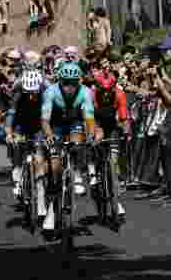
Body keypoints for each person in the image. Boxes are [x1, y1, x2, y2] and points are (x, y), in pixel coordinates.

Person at [40, 61, 96, 231]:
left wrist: (91, 133)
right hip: (55, 125)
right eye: (65, 83)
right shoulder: (50, 92)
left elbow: (88, 117)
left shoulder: (85, 92)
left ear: (79, 81)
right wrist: (49, 136)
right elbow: (44, 119)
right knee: (55, 168)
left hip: (74, 124)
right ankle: (50, 211)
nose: (69, 87)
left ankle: (77, 174)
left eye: (73, 83)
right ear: (60, 81)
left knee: (78, 142)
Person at [91, 68, 130, 218]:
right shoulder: (92, 94)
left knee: (113, 161)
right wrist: (94, 131)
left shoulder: (119, 93)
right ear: (98, 87)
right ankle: (93, 170)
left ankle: (115, 199)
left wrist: (126, 131)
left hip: (112, 123)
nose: (106, 93)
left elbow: (123, 116)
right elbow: (89, 116)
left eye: (109, 90)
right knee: (95, 142)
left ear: (114, 87)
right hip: (97, 121)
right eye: (103, 90)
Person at [5, 68, 46, 203]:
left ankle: (40, 192)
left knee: (39, 155)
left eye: (34, 93)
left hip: (38, 127)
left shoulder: (45, 94)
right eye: (28, 93)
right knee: (17, 147)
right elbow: (11, 113)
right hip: (20, 126)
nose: (31, 96)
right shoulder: (18, 95)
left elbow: (50, 116)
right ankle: (17, 180)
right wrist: (9, 132)